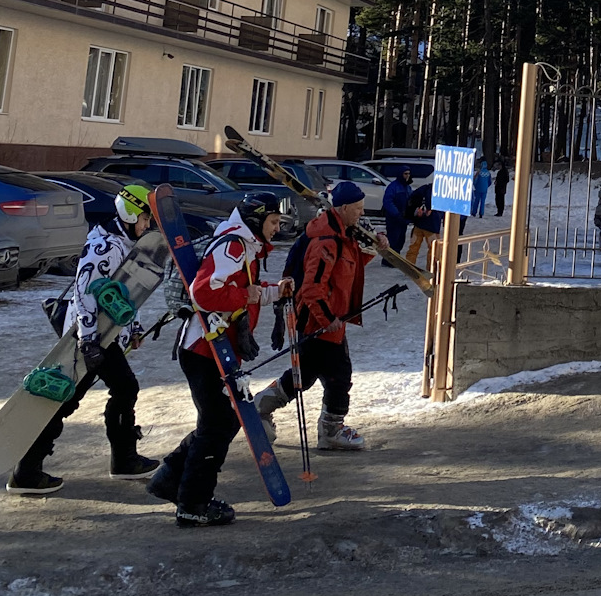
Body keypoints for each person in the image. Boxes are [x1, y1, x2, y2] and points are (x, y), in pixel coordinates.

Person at [7, 182, 160, 495]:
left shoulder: (123, 242)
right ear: (130, 214)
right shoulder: (104, 245)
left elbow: (127, 293)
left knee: (109, 390)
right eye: (144, 219)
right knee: (88, 395)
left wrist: (132, 329)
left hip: (104, 334)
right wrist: (88, 341)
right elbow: (85, 292)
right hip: (89, 335)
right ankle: (29, 471)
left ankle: (120, 460)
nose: (147, 225)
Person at [148, 197, 287, 527]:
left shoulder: (244, 246)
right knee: (217, 424)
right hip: (202, 349)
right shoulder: (234, 247)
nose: (278, 228)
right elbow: (204, 293)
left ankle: (171, 479)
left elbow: (243, 290)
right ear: (255, 221)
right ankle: (193, 503)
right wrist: (249, 295)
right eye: (273, 221)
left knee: (221, 421)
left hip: (214, 347)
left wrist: (276, 291)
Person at [255, 181, 387, 452]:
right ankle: (328, 430)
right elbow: (312, 289)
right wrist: (328, 320)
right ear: (345, 207)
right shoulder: (325, 241)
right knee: (333, 376)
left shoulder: (342, 235)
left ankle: (263, 407)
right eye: (359, 208)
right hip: (318, 322)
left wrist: (376, 251)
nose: (362, 214)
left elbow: (348, 268)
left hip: (329, 322)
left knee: (310, 374)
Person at [381, 165, 416, 254]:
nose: (407, 176)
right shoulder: (393, 187)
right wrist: (396, 214)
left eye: (409, 174)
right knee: (393, 240)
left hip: (403, 219)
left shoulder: (408, 187)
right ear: (400, 174)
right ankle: (388, 260)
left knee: (400, 241)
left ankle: (394, 259)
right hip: (394, 219)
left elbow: (410, 201)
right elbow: (387, 202)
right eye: (405, 174)